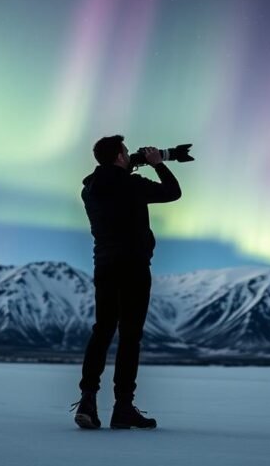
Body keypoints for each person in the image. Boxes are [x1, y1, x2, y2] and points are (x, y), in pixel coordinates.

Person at [70, 135, 182, 430]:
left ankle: (88, 399)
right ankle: (123, 407)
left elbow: (104, 173)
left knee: (103, 330)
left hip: (105, 266)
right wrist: (158, 163)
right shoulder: (132, 186)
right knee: (129, 336)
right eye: (124, 152)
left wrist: (132, 160)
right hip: (133, 266)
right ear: (120, 157)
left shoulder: (89, 190)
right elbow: (172, 192)